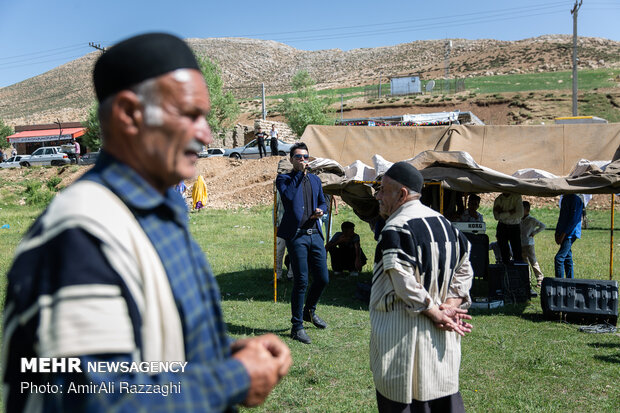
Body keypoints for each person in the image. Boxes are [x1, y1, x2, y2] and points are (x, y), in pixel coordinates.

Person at [1, 33, 291, 412]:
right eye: (189, 115)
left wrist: (216, 357)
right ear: (129, 114)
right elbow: (94, 400)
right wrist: (233, 378)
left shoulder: (154, 213)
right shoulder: (80, 238)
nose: (204, 134)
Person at [371, 161, 473, 413]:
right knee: (441, 396)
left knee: (405, 398)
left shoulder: (395, 228)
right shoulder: (447, 225)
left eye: (383, 189)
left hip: (401, 338)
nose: (378, 196)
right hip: (441, 341)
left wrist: (436, 311)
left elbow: (402, 278)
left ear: (402, 194)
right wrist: (450, 304)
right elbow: (466, 268)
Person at [276, 142, 329, 344]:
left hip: (314, 233)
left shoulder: (315, 180)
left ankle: (309, 311)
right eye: (298, 157)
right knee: (301, 281)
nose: (303, 160)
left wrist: (321, 210)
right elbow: (288, 198)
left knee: (323, 278)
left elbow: (322, 201)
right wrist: (298, 173)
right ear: (291, 160)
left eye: (305, 157)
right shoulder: (284, 179)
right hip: (296, 235)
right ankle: (296, 326)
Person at [555, 193, 584, 278]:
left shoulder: (574, 199)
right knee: (568, 259)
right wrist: (557, 232)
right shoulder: (565, 198)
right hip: (564, 232)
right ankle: (570, 282)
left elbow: (573, 220)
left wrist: (563, 234)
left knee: (559, 258)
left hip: (570, 233)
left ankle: (559, 283)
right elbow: (562, 217)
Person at [493, 192, 524, 264]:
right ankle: (506, 270)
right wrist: (511, 212)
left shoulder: (517, 197)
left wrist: (503, 212)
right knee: (504, 252)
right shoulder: (498, 199)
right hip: (502, 226)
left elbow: (520, 214)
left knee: (517, 251)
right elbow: (496, 217)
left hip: (514, 226)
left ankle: (518, 271)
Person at [520, 201, 546, 287]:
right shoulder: (519, 219)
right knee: (524, 262)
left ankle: (540, 279)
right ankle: (527, 279)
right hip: (521, 243)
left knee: (533, 261)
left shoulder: (532, 220)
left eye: (522, 209)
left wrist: (534, 232)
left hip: (529, 243)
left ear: (527, 210)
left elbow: (543, 226)